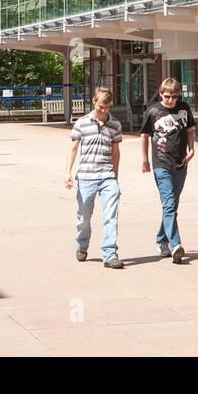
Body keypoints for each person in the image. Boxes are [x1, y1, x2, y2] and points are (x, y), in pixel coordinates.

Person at [65, 87, 124, 268]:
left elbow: (116, 152)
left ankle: (110, 253)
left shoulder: (115, 124)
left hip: (107, 175)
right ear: (93, 102)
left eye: (107, 107)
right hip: (86, 176)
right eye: (100, 107)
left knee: (111, 215)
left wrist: (115, 176)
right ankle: (82, 245)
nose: (103, 110)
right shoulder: (82, 123)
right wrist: (68, 172)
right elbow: (74, 148)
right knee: (84, 216)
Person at [141, 77, 194, 264]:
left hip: (180, 163)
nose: (170, 100)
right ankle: (176, 244)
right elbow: (145, 135)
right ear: (161, 93)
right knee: (169, 204)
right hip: (161, 163)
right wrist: (145, 160)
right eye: (166, 96)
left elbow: (189, 131)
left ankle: (161, 239)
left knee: (172, 205)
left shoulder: (184, 108)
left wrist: (192, 149)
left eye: (173, 96)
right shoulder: (154, 111)